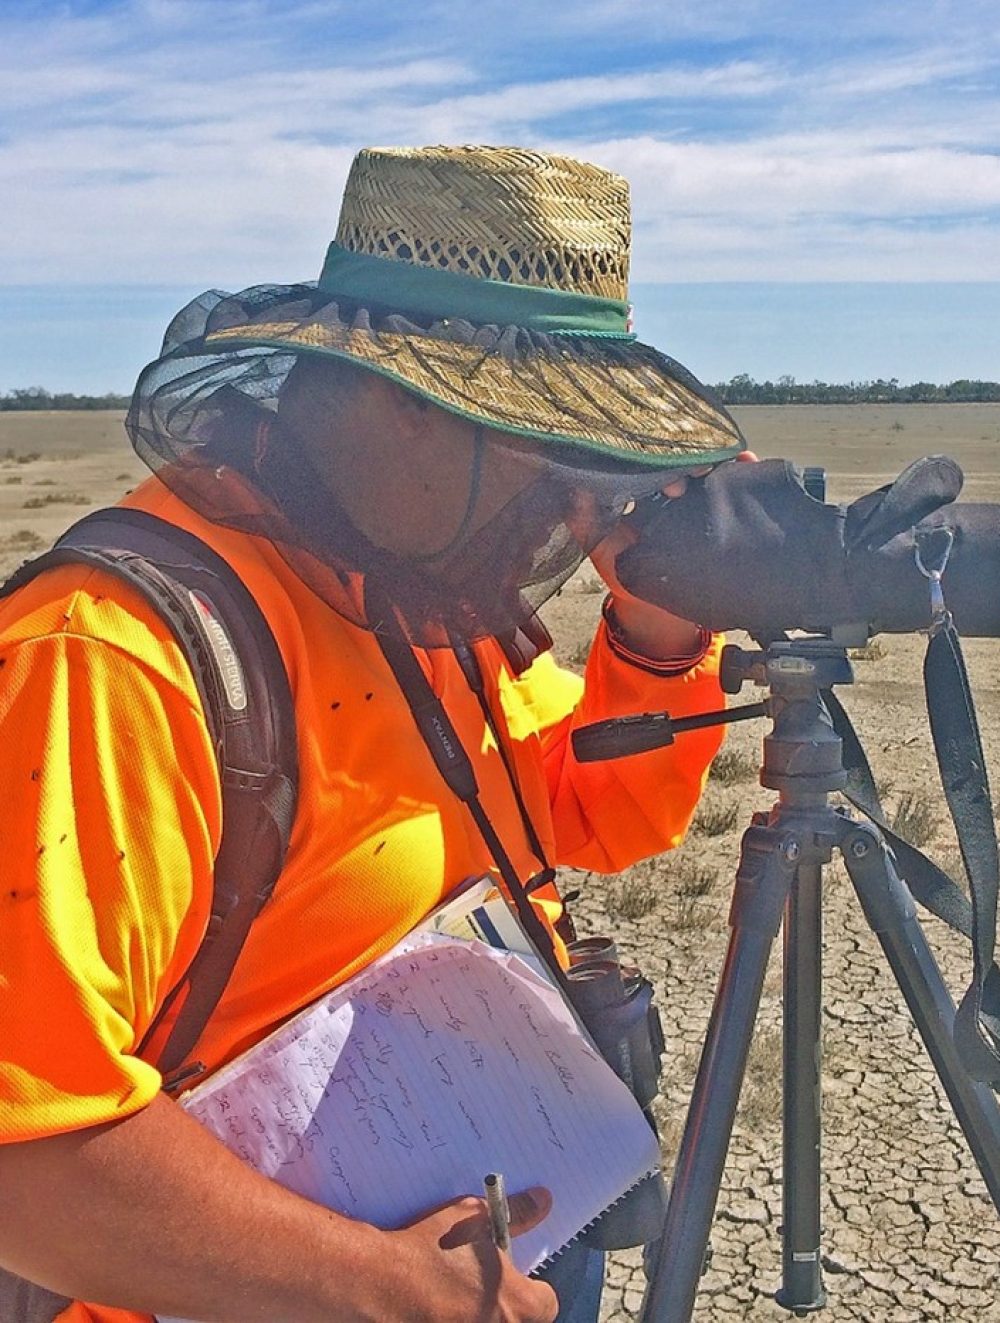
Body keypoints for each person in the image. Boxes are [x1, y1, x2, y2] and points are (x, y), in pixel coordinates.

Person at [0, 145, 747, 1323]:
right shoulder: (111, 656)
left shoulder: (417, 585)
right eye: (541, 453)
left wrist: (654, 640)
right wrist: (384, 1289)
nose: (570, 508)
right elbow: (25, 1164)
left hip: (504, 1236)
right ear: (400, 409)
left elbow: (582, 816)